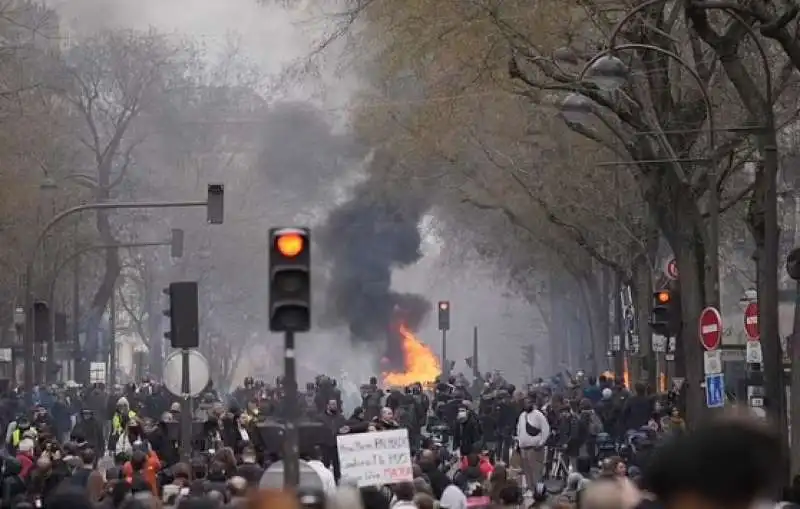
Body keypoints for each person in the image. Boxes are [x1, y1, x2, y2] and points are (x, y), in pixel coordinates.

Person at [516, 396, 549, 494]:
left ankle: (538, 492)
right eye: (525, 403)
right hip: (523, 448)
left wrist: (541, 443)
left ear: (533, 403)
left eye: (529, 402)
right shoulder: (522, 415)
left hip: (534, 448)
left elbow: (546, 429)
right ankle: (530, 489)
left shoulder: (538, 415)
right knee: (527, 471)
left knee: (536, 471)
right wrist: (519, 441)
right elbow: (519, 429)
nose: (527, 405)